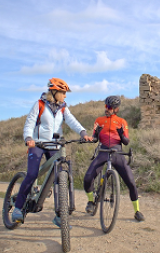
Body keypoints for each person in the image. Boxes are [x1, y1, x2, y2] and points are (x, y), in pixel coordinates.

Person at [12, 77, 93, 227]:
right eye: (63, 92)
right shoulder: (40, 104)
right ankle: (17, 208)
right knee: (32, 174)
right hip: (37, 143)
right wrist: (29, 137)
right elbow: (30, 122)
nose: (65, 95)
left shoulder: (63, 107)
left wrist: (83, 133)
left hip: (54, 145)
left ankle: (59, 216)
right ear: (54, 91)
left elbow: (72, 121)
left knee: (59, 176)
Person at [83, 95, 145, 222]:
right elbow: (94, 138)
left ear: (116, 109)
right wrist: (96, 134)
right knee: (88, 178)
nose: (107, 109)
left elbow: (126, 142)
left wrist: (122, 135)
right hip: (102, 151)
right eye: (106, 106)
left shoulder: (122, 122)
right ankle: (90, 201)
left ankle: (137, 211)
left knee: (131, 183)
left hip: (117, 152)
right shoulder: (99, 120)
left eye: (110, 107)